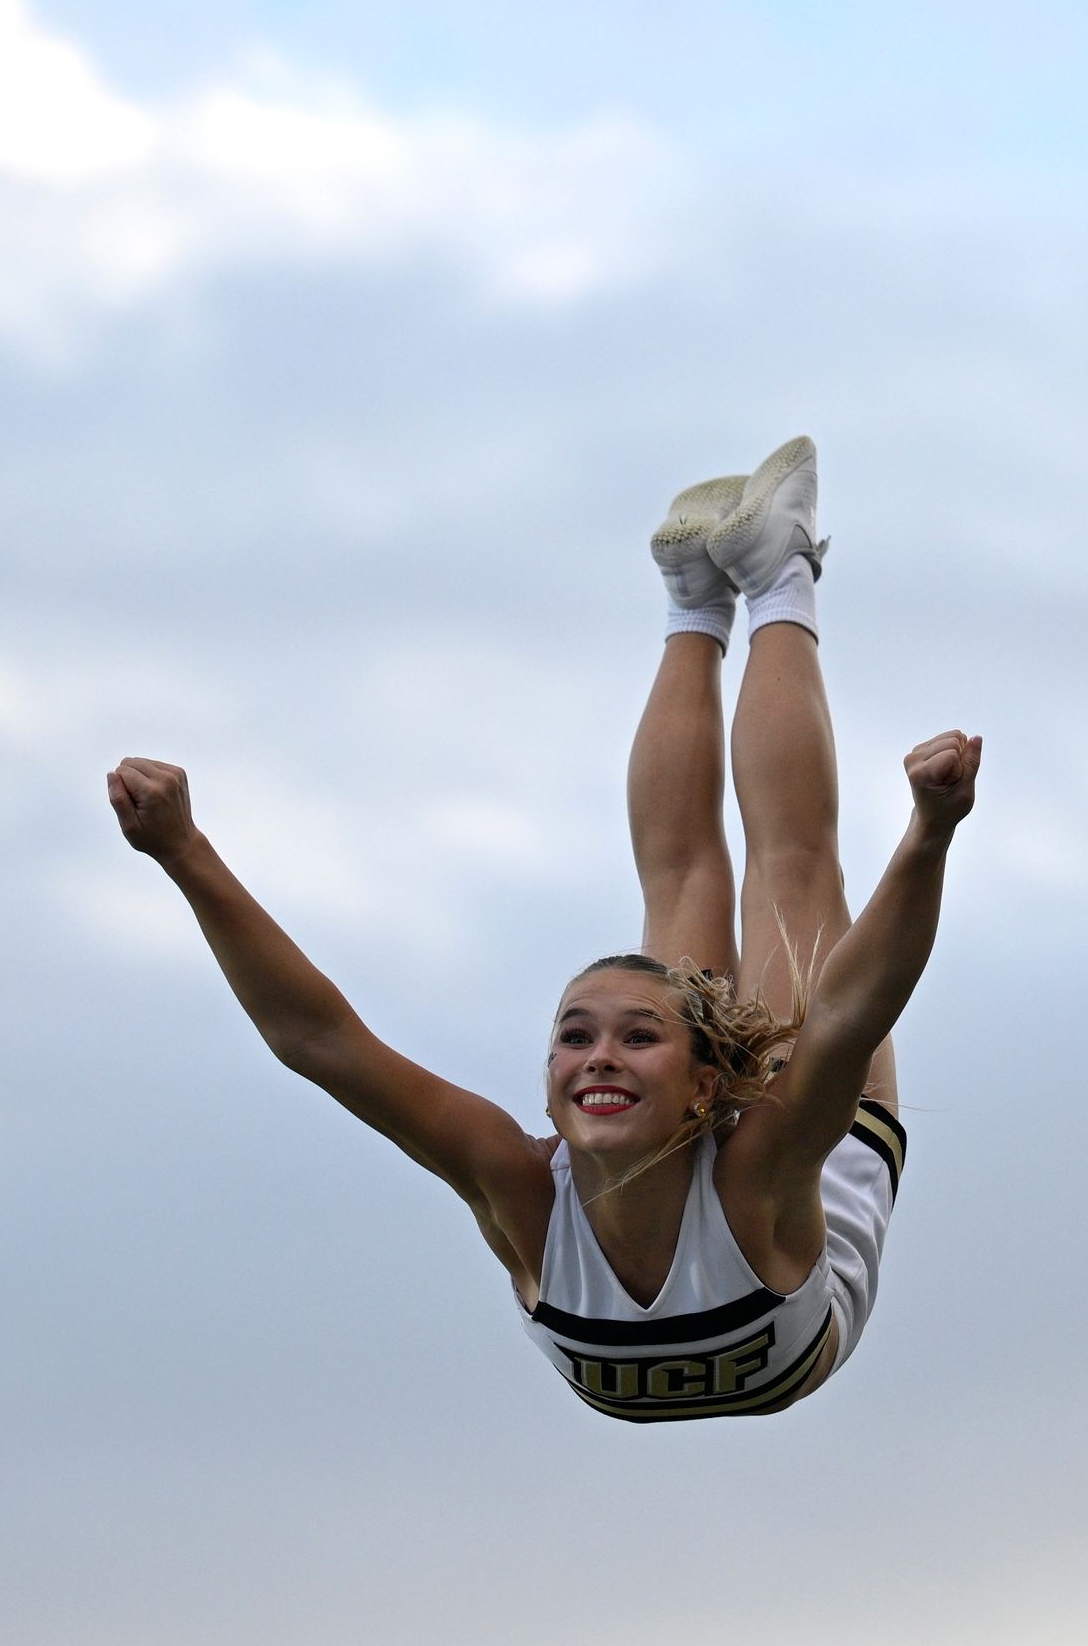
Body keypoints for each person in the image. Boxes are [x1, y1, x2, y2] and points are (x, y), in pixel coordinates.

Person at [106, 436, 981, 1420]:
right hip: (813, 1147)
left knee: (762, 871)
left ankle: (727, 584)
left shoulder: (720, 1174)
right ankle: (745, 577)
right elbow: (319, 1037)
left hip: (775, 1146)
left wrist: (929, 834)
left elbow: (318, 1042)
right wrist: (184, 854)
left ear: (703, 1083)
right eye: (577, 1033)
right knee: (757, 879)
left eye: (630, 1035)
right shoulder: (530, 1184)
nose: (595, 1057)